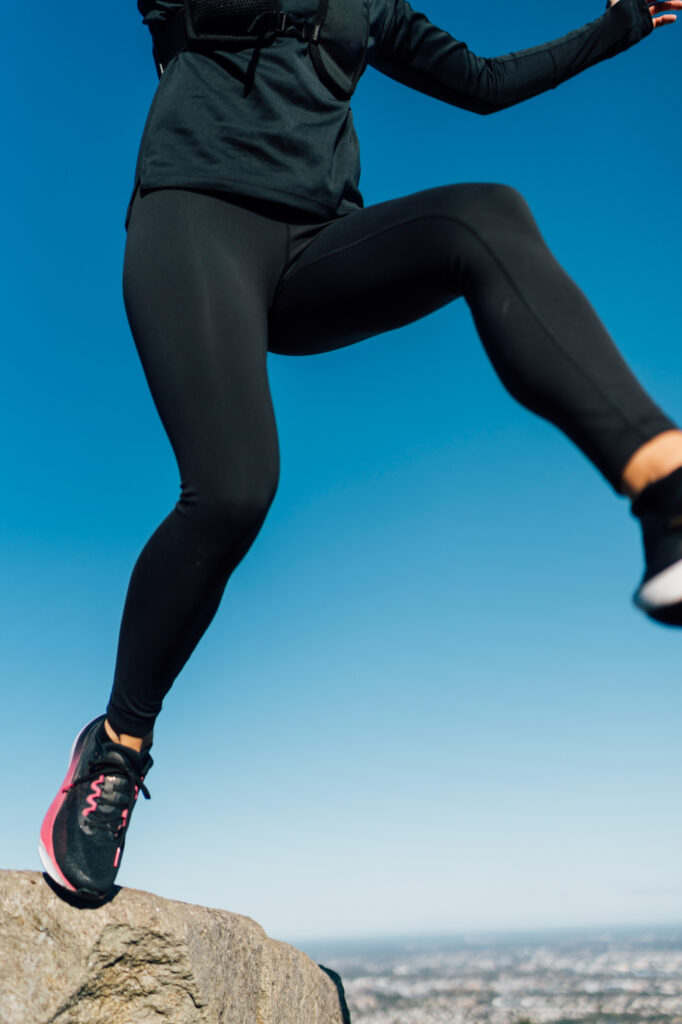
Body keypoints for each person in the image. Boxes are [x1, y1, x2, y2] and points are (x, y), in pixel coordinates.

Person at [40, 0, 682, 903]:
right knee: (232, 490)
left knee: (486, 214)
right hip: (196, 224)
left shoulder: (371, 4)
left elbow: (485, 84)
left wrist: (622, 24)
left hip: (312, 247)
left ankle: (664, 486)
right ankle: (117, 747)